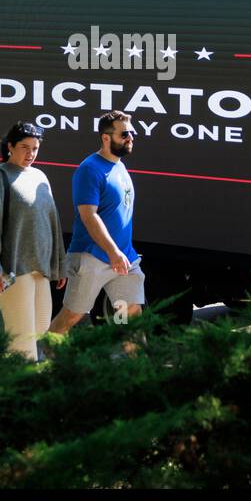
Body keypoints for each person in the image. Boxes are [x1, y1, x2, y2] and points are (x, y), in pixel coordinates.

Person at [0, 122, 68, 360]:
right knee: (21, 337)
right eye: (24, 147)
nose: (31, 153)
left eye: (35, 148)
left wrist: (60, 265)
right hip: (12, 270)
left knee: (39, 327)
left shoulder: (40, 176)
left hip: (41, 268)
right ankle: (23, 387)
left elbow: (53, 223)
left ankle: (10, 375)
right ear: (10, 147)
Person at [49, 111, 143, 335]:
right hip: (92, 258)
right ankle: (45, 359)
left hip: (124, 260)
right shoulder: (89, 169)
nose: (131, 138)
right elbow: (89, 216)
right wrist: (112, 251)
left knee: (131, 316)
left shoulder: (119, 166)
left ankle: (136, 367)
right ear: (106, 138)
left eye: (133, 133)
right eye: (125, 134)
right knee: (72, 315)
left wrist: (120, 254)